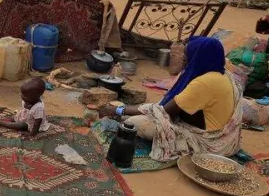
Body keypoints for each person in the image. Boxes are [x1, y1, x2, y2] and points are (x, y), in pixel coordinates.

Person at [99, 36, 243, 161]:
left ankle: (120, 112)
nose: (183, 60)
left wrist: (119, 110)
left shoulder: (205, 82)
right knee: (134, 113)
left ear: (198, 58)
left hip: (206, 140)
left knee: (133, 122)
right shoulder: (222, 74)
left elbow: (163, 111)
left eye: (186, 57)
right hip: (211, 130)